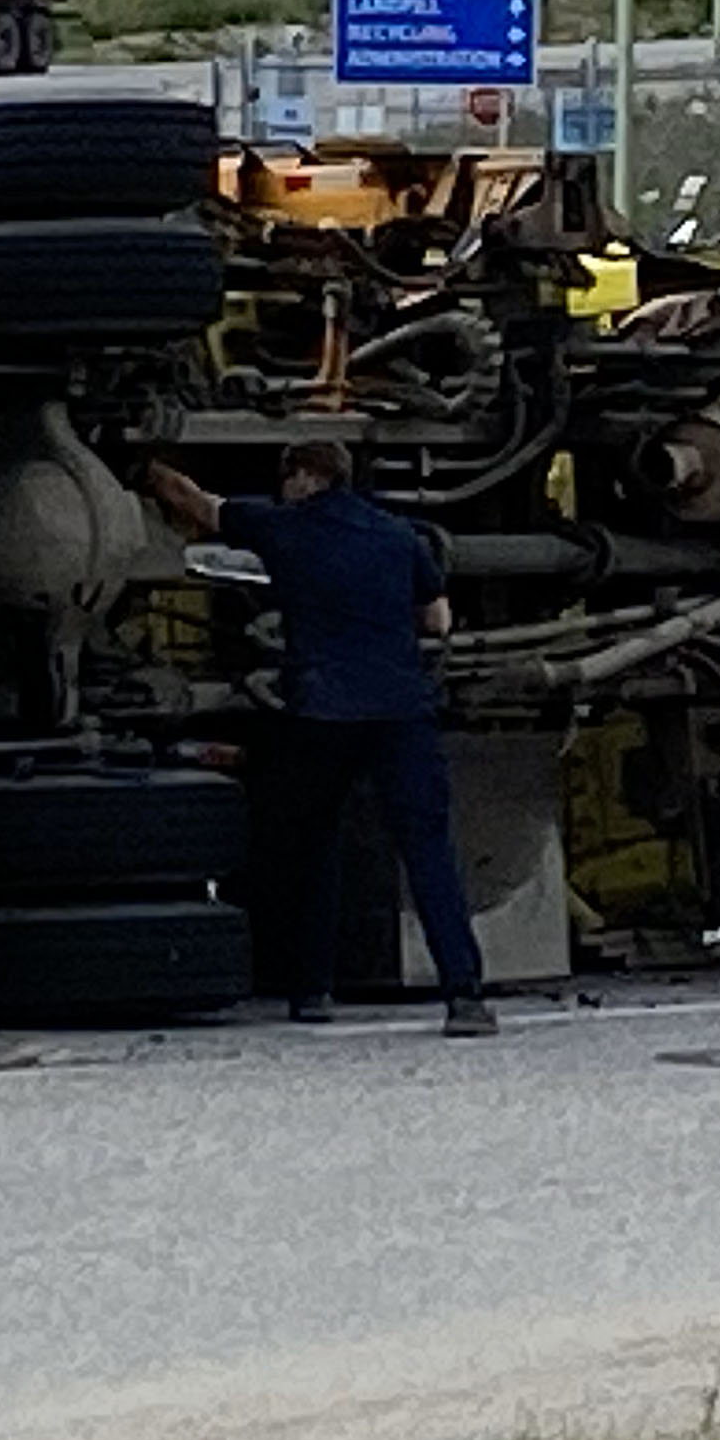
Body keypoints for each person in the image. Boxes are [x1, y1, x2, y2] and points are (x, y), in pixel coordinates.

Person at [140, 440, 496, 1035]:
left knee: (314, 846)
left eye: (288, 479)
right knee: (428, 851)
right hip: (401, 711)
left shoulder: (285, 528)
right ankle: (465, 997)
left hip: (324, 712)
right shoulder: (398, 534)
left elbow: (196, 503)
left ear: (305, 477)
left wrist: (142, 467)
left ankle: (312, 990)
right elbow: (437, 619)